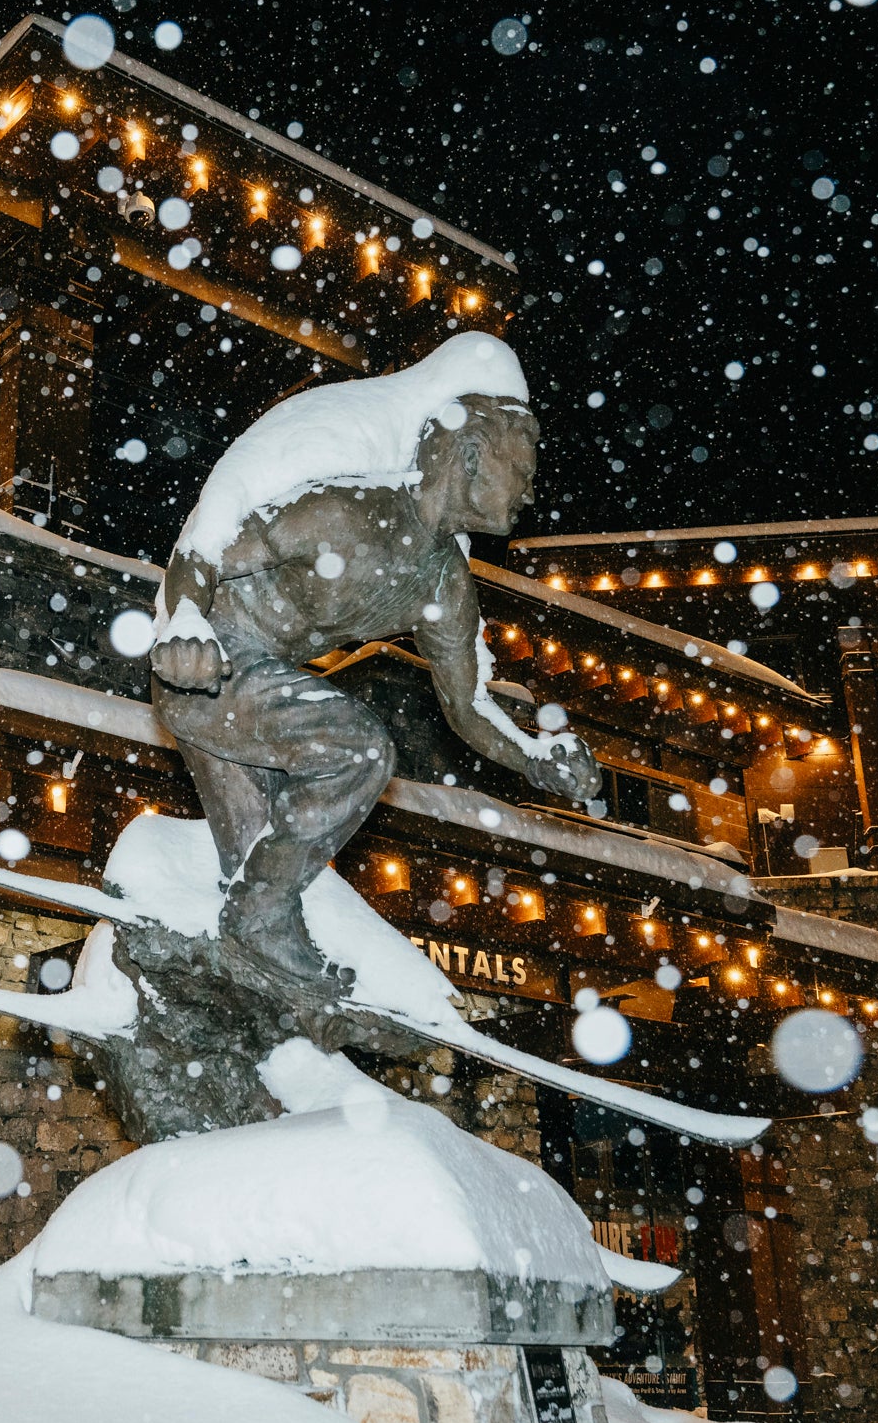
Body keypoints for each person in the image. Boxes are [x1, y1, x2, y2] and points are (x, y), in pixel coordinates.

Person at [149, 332, 600, 980]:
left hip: (254, 699)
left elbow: (467, 704)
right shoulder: (346, 512)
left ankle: (246, 997)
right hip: (209, 668)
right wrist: (187, 620)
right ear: (471, 451)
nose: (530, 493)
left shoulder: (445, 583)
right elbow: (209, 549)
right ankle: (255, 924)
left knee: (259, 880)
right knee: (358, 755)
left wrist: (534, 755)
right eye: (523, 471)